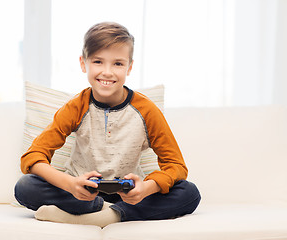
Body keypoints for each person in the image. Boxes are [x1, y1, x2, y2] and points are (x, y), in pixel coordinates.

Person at [14, 22, 201, 228]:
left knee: (189, 193)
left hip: (128, 195)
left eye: (118, 64)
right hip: (81, 194)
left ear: (129, 67)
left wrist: (146, 188)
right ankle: (104, 211)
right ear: (83, 63)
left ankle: (106, 215)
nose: (107, 72)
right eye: (98, 62)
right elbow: (32, 157)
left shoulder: (147, 110)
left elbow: (176, 166)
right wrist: (71, 184)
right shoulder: (76, 107)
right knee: (25, 187)